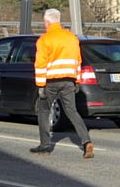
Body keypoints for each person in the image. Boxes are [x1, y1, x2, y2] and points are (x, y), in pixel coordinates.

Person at [31, 8, 92, 158]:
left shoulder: (45, 39)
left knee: (44, 111)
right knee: (72, 111)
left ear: (47, 22)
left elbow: (40, 65)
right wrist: (76, 80)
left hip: (51, 81)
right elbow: (78, 61)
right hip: (69, 81)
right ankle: (86, 142)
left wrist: (40, 86)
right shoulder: (71, 38)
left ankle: (45, 145)